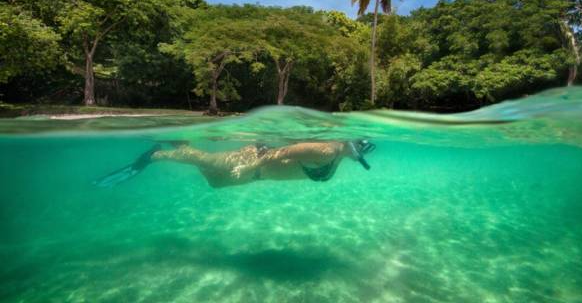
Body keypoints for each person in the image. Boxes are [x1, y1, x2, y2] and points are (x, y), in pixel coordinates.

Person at [94, 140, 376, 188]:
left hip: (257, 173)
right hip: (253, 163)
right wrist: (250, 167)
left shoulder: (339, 154)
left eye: (367, 146)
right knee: (204, 161)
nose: (365, 149)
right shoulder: (326, 150)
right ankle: (154, 156)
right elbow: (282, 152)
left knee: (214, 181)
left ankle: (182, 148)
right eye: (363, 144)